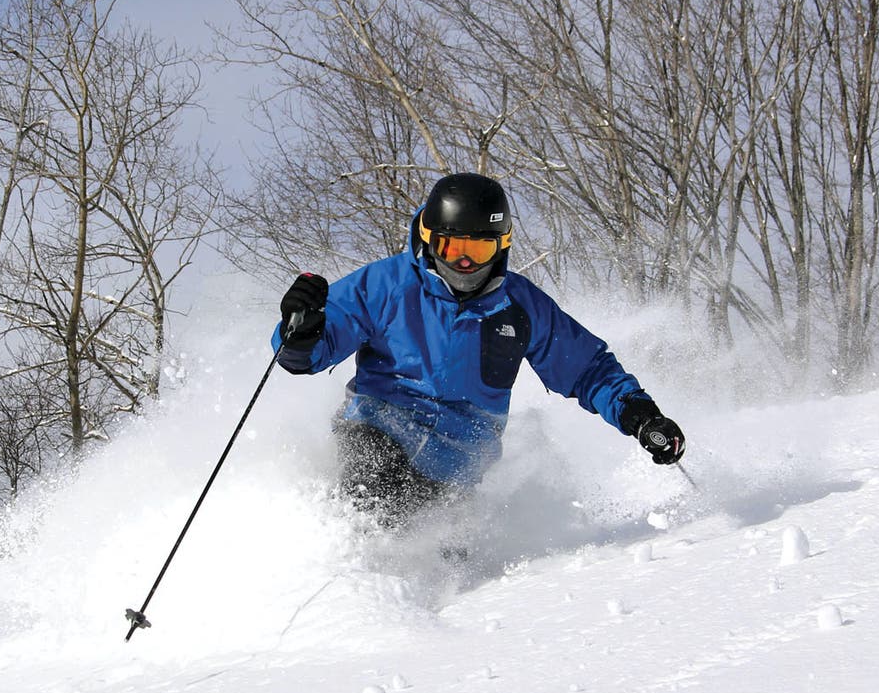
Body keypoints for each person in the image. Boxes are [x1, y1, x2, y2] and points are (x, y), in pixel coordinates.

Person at [271, 172, 685, 528]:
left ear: (501, 245)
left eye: (479, 250)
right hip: (378, 429)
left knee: (449, 552)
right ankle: (347, 573)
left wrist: (640, 414)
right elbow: (304, 355)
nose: (465, 264)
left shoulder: (520, 307)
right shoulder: (385, 286)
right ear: (429, 240)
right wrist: (302, 330)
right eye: (454, 249)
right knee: (376, 492)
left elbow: (586, 369)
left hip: (458, 464)